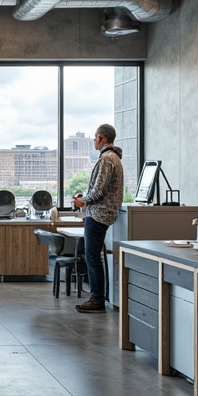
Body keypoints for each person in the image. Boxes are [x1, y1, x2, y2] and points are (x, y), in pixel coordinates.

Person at [76, 124, 124, 313]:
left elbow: (98, 190)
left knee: (92, 256)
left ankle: (97, 299)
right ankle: (98, 297)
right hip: (103, 213)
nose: (94, 141)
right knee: (93, 256)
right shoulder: (114, 158)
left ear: (103, 138)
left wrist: (82, 201)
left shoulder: (106, 158)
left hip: (98, 214)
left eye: (95, 137)